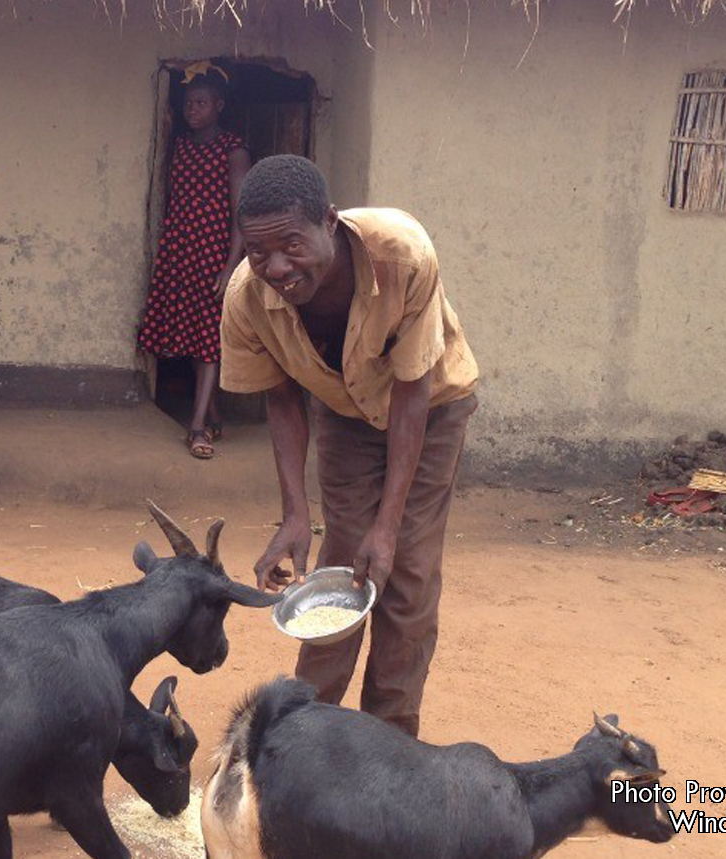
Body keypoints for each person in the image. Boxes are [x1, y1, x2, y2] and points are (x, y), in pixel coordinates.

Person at [220, 155, 479, 736]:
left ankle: (388, 740)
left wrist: (387, 526)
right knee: (341, 572)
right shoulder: (244, 300)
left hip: (431, 410)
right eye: (258, 252)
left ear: (329, 223)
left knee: (404, 572)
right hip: (342, 412)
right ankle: (305, 734)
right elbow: (281, 397)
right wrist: (294, 513)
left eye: (292, 244)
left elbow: (413, 392)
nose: (277, 267)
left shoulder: (403, 254)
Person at [137, 63, 250, 459]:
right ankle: (212, 410)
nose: (193, 109)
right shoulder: (182, 145)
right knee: (185, 334)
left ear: (219, 105)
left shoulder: (233, 150)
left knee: (208, 342)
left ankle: (198, 425)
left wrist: (230, 265)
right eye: (189, 102)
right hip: (180, 252)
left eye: (201, 102)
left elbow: (241, 213)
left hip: (213, 256)